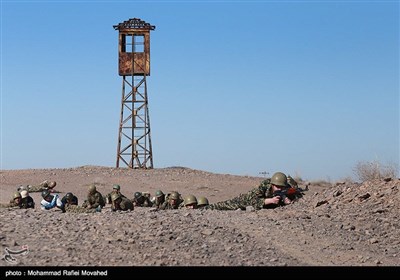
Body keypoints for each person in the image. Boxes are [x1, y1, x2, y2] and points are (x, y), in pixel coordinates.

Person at [204, 172, 304, 211]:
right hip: (246, 199)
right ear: (272, 184)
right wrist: (269, 201)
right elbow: (254, 200)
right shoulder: (265, 185)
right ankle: (202, 208)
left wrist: (287, 201)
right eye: (277, 186)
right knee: (222, 205)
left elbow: (296, 195)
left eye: (281, 187)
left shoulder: (286, 188)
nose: (279, 189)